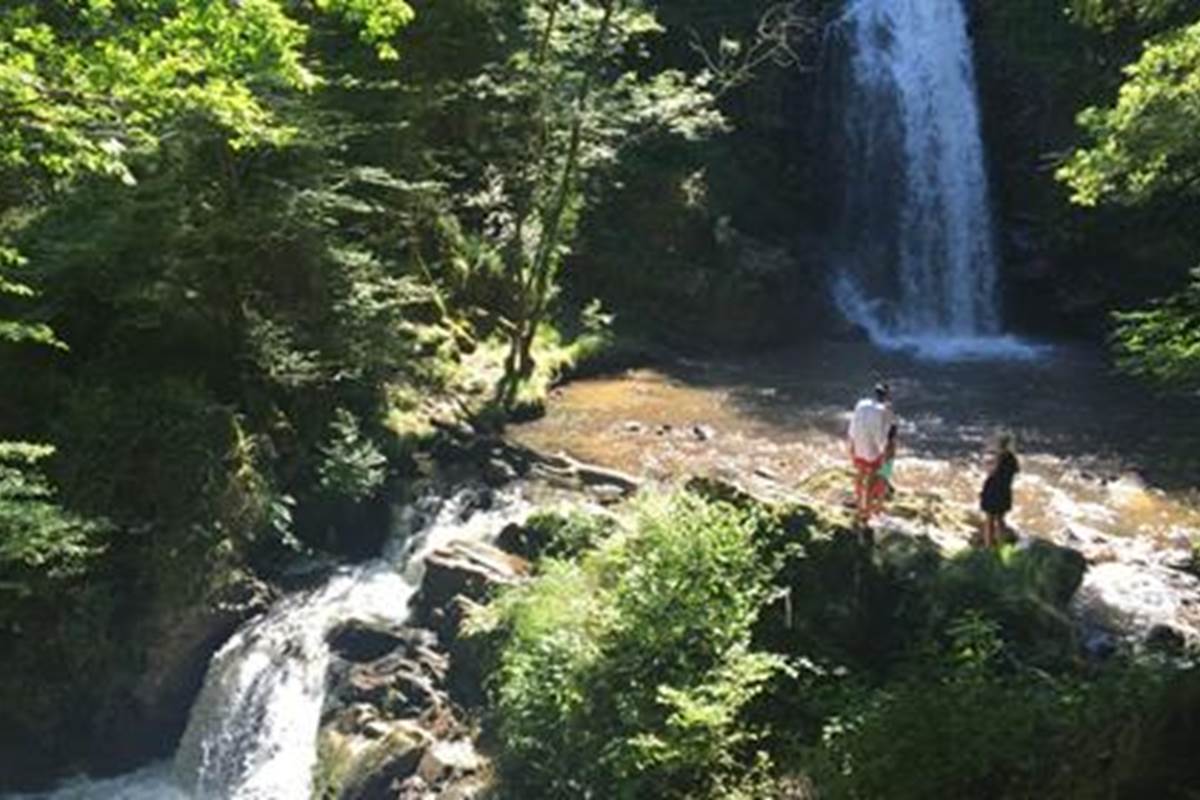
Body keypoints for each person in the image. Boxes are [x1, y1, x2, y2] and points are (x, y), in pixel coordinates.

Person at [847, 382, 895, 525]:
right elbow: (887, 433)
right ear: (887, 395)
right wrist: (886, 451)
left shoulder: (861, 404)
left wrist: (852, 443)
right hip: (877, 449)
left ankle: (858, 501)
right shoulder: (886, 410)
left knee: (860, 474)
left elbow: (853, 425)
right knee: (877, 478)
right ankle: (870, 511)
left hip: (860, 444)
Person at [980, 433, 1019, 547]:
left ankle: (989, 545)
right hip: (1005, 491)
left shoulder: (998, 458)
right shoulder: (1012, 459)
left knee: (989, 520)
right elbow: (1015, 471)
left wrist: (988, 464)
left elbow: (991, 472)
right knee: (1000, 520)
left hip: (992, 490)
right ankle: (1001, 544)